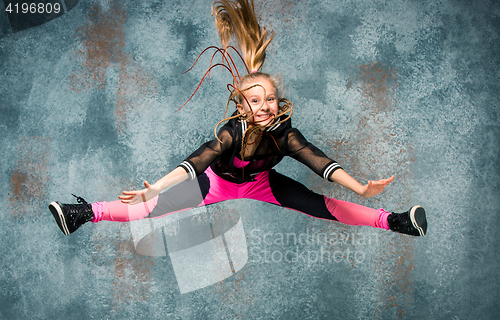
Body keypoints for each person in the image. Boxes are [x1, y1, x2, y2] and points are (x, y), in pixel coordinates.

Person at [49, 0, 427, 239]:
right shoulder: (231, 132)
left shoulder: (285, 135)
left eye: (271, 99)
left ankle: (396, 221)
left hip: (263, 185)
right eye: (255, 99)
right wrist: (154, 189)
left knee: (324, 206)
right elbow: (195, 162)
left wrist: (360, 187)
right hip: (216, 184)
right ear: (242, 107)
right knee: (146, 209)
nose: (264, 105)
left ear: (279, 105)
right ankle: (82, 213)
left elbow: (321, 162)